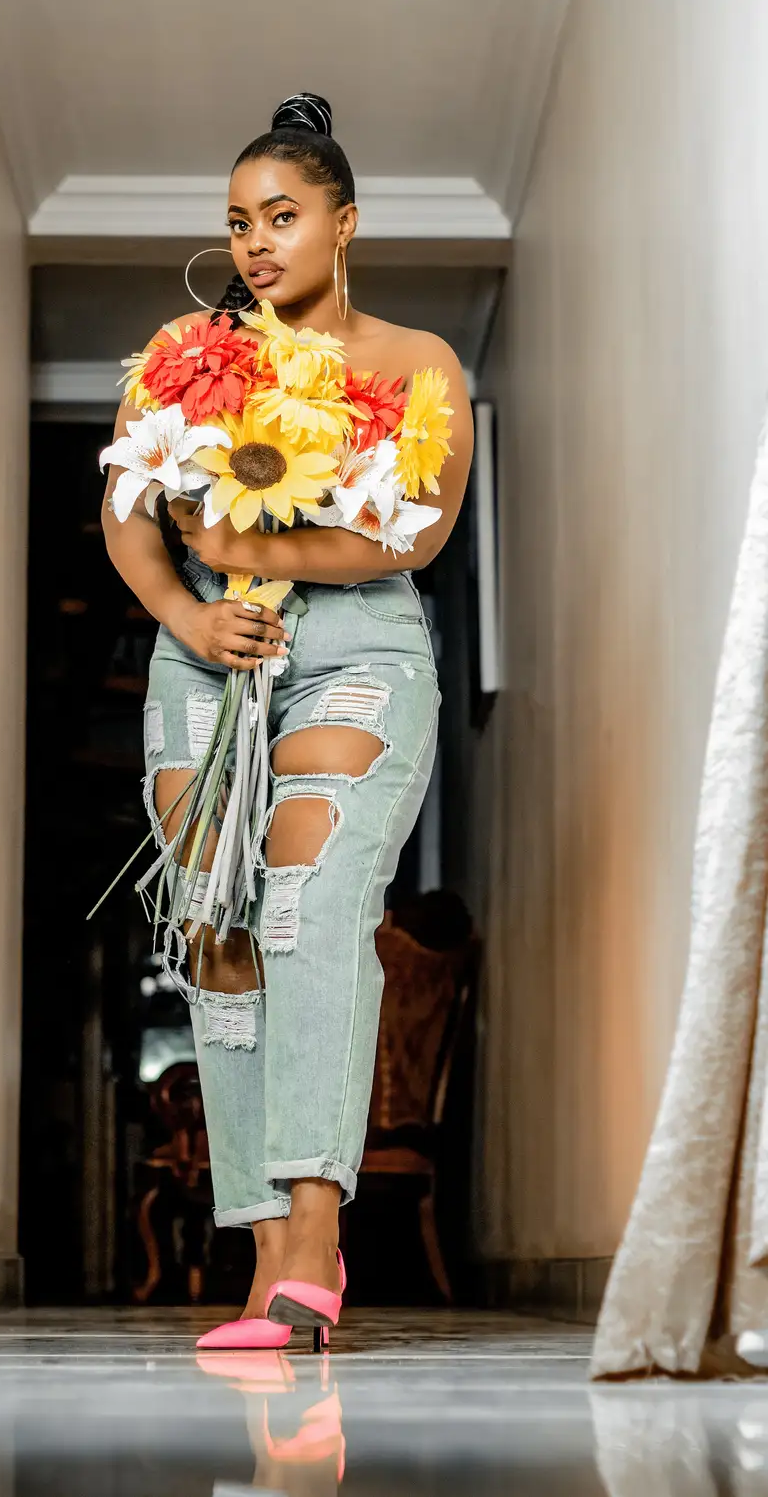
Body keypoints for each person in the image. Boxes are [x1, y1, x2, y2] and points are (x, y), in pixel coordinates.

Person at [102, 92, 473, 1349]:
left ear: (343, 221)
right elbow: (129, 514)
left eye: (282, 215)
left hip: (354, 646)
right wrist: (190, 605)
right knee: (214, 930)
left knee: (306, 903)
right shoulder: (185, 349)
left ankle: (317, 1242)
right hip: (204, 651)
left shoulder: (415, 362)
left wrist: (253, 543)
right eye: (238, 223)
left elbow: (415, 531)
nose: (257, 242)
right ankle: (261, 1261)